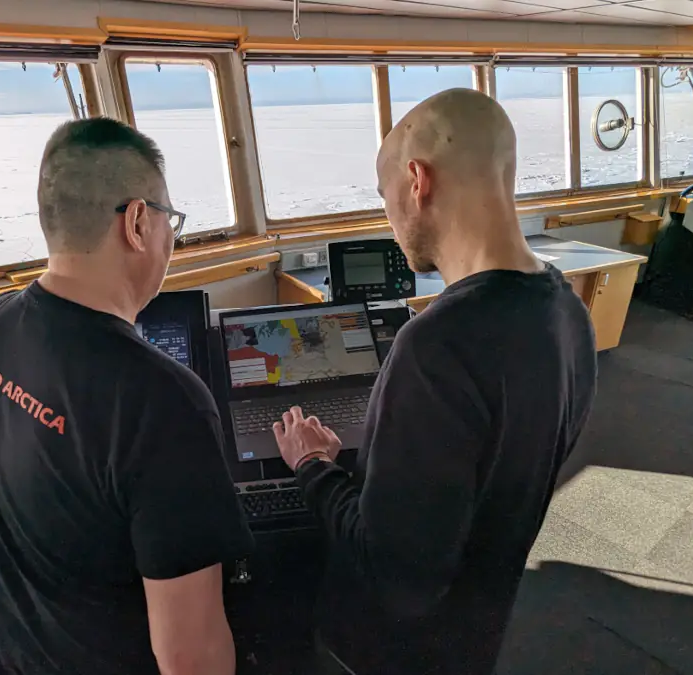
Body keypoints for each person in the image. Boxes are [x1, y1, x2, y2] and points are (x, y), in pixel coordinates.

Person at [272, 88, 597, 674]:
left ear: (417, 180)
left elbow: (394, 574)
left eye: (386, 196)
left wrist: (313, 465)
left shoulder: (435, 348)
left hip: (391, 653)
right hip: (476, 635)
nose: (390, 217)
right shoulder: (569, 313)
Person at [0, 118, 253, 675]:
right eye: (171, 220)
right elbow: (192, 658)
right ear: (138, 221)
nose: (171, 238)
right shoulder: (161, 400)